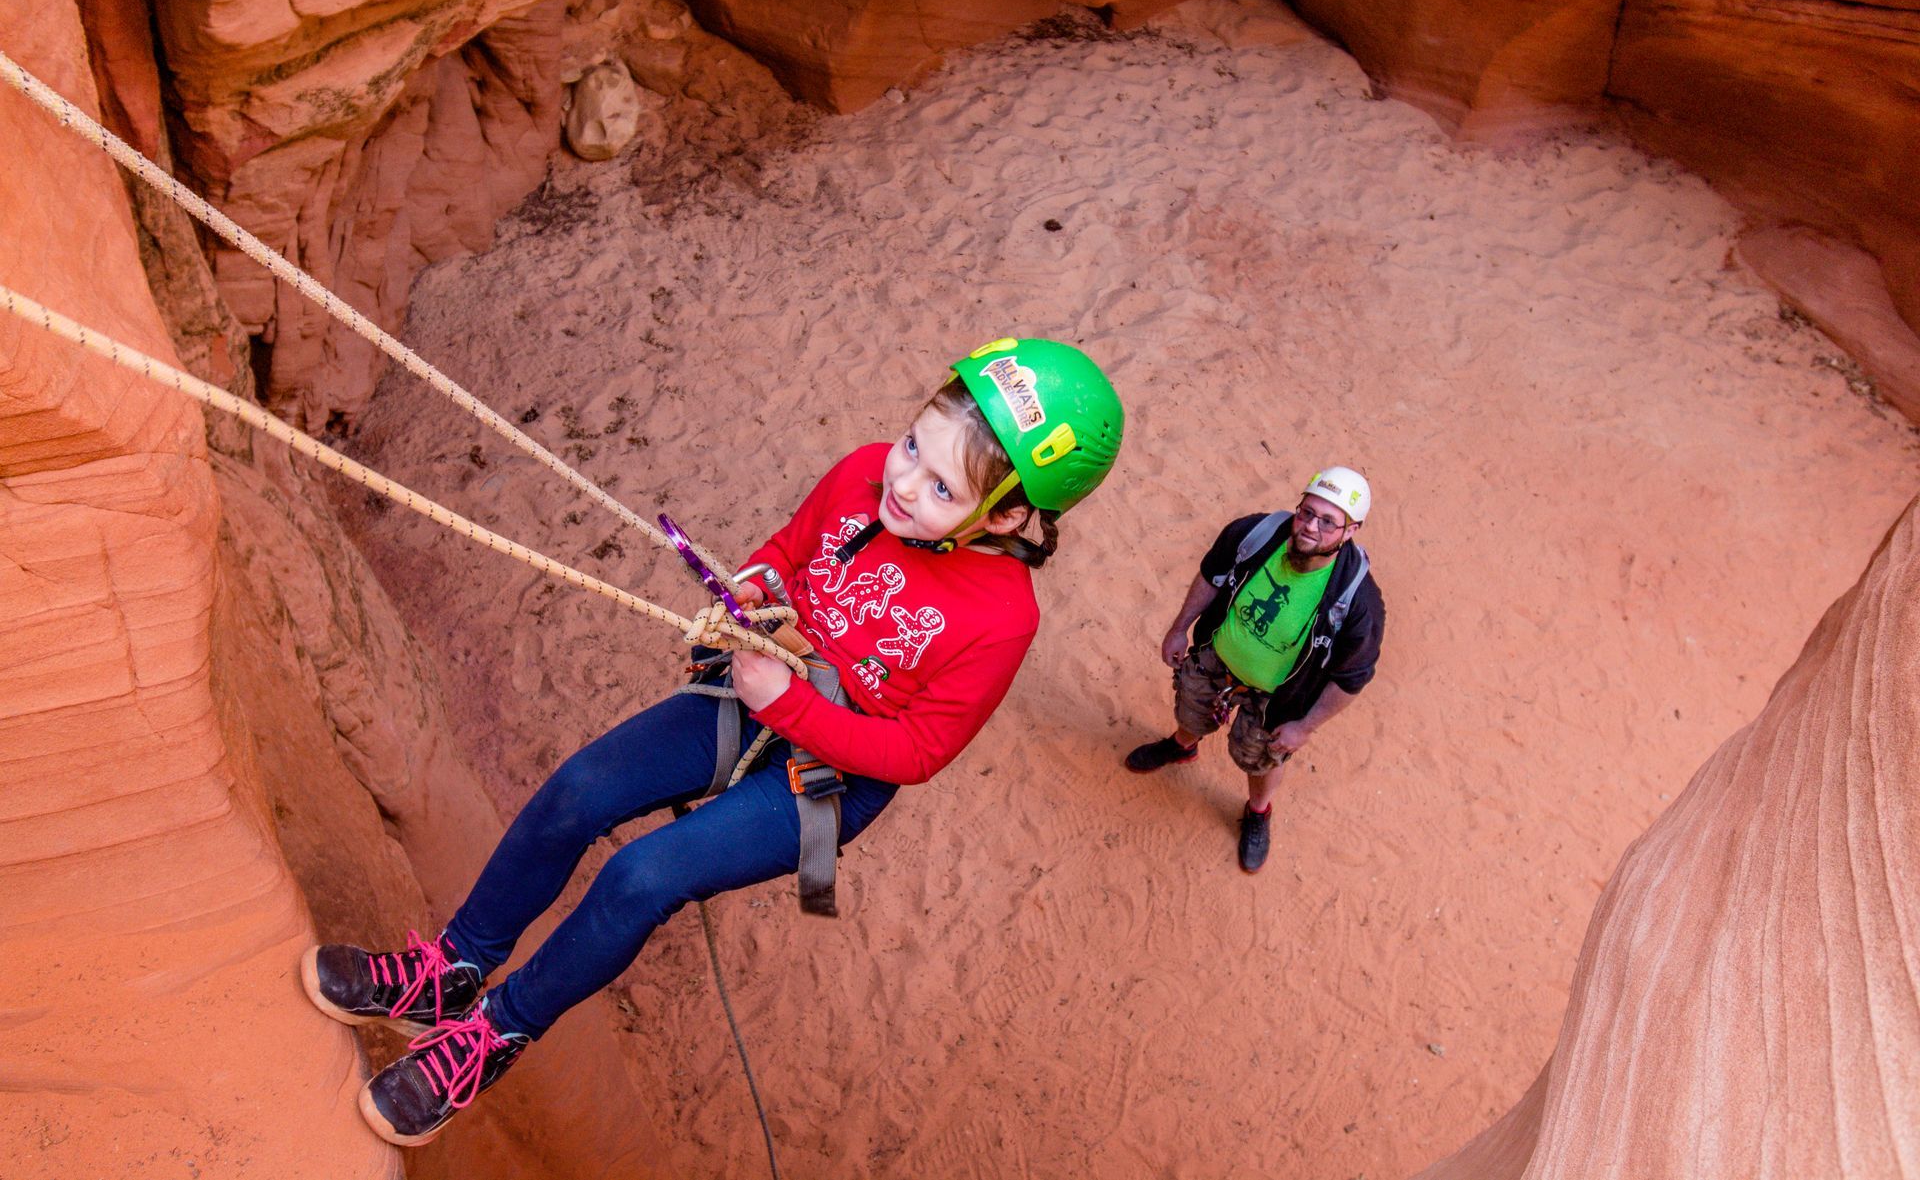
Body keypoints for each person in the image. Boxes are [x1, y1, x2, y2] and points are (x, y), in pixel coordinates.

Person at [298, 337, 1122, 1145]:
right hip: (765, 685)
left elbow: (914, 754)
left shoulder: (1002, 618)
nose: (900, 482)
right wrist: (758, 583)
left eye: (940, 485)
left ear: (1010, 515)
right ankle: (453, 968)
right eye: (912, 443)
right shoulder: (863, 475)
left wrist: (789, 704)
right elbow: (790, 553)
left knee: (641, 875)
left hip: (833, 768)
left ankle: (495, 1034)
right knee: (580, 789)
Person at [1125, 468, 1384, 873]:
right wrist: (1179, 630)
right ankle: (1183, 745)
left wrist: (1305, 727)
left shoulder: (1357, 600)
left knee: (1261, 758)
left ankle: (1258, 811)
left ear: (1351, 530)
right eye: (1306, 512)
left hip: (1279, 699)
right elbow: (1212, 576)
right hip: (1215, 658)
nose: (1310, 527)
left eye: (1328, 522)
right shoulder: (1256, 534)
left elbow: (1351, 677)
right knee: (1190, 708)